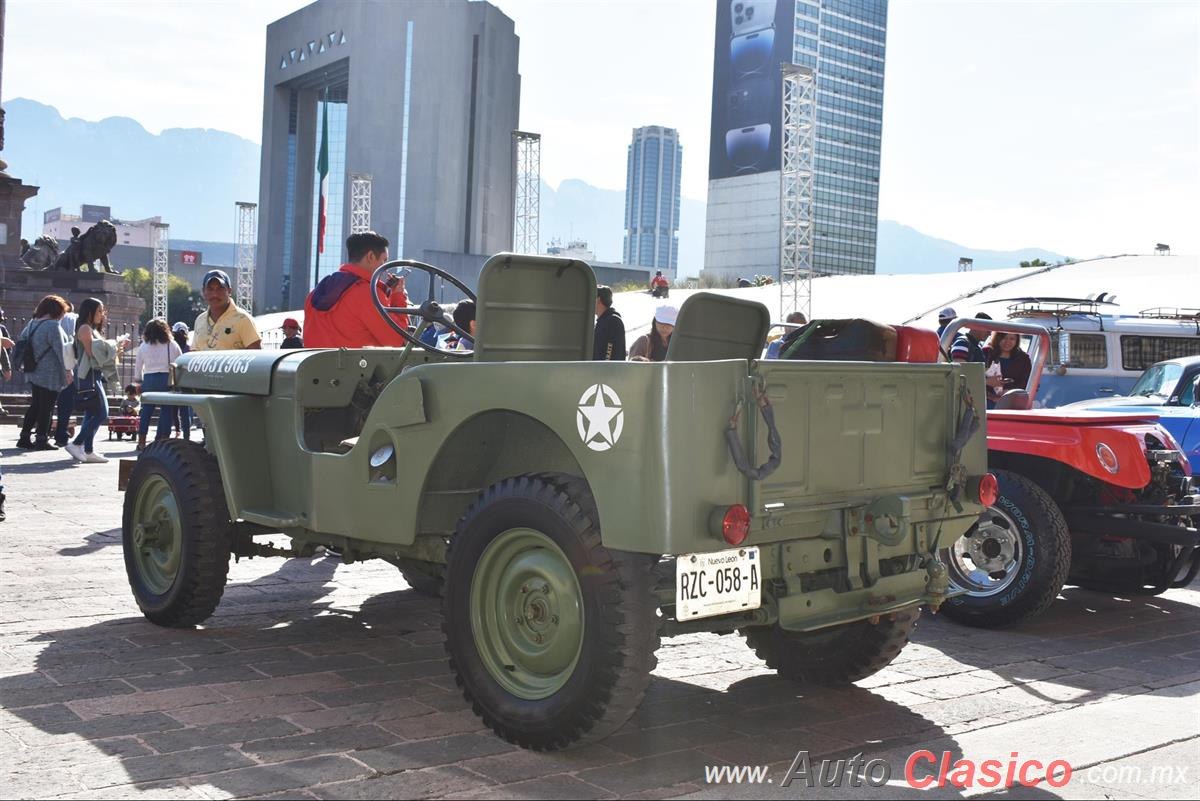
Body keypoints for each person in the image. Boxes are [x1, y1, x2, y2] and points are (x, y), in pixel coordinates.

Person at [303, 231, 410, 348]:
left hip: (315, 365)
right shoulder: (369, 294)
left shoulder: (315, 293)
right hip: (356, 365)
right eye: (384, 261)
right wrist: (398, 296)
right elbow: (397, 340)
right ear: (371, 257)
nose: (385, 268)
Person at [65, 298, 126, 464]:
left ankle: (88, 449)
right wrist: (113, 349)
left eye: (103, 311)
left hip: (94, 374)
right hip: (88, 376)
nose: (102, 314)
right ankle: (77, 443)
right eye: (99, 311)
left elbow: (101, 356)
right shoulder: (85, 328)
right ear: (90, 312)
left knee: (92, 412)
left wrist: (116, 350)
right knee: (101, 412)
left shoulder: (91, 329)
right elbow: (93, 354)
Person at [16, 295, 72, 451]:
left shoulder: (32, 323)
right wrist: (68, 371)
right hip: (50, 373)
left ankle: (24, 437)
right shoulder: (53, 326)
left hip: (33, 370)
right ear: (56, 310)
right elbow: (61, 352)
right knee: (47, 407)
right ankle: (41, 439)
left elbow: (23, 341)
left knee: (35, 405)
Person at [134, 318, 183, 450]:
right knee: (166, 410)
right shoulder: (171, 344)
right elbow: (179, 361)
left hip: (149, 378)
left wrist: (138, 381)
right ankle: (162, 439)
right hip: (165, 378)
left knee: (146, 411)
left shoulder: (144, 345)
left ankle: (142, 441)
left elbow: (138, 365)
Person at [193, 270, 261, 351]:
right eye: (210, 289)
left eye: (220, 289)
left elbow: (255, 356)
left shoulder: (243, 319)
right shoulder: (200, 320)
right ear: (204, 291)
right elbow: (194, 353)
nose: (215, 294)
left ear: (229, 291)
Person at [53, 302, 79, 447]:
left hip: (53, 367)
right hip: (70, 365)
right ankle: (61, 433)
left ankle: (43, 432)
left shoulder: (52, 323)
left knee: (48, 402)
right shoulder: (74, 319)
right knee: (65, 404)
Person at [987, 331, 1033, 402]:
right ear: (997, 338)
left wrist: (1009, 391)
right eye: (1004, 338)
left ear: (1017, 340)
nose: (1007, 342)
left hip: (1012, 401)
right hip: (985, 400)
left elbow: (1026, 381)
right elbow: (976, 377)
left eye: (1012, 339)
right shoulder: (986, 353)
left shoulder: (1024, 359)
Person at [169, 322, 193, 440]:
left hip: (173, 380)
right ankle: (186, 436)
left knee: (173, 409)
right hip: (185, 381)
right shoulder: (189, 348)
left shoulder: (171, 346)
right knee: (185, 411)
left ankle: (176, 430)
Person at [593, 285, 626, 361]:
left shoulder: (613, 321)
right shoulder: (602, 321)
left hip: (607, 370)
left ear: (598, 299)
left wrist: (605, 368)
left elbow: (609, 352)